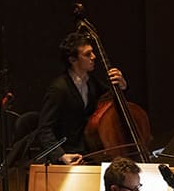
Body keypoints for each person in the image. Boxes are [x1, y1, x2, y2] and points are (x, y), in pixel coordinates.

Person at [34, 31, 127, 165]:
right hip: (70, 156)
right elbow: (44, 130)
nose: (94, 57)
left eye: (93, 52)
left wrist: (122, 85)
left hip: (90, 153)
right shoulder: (59, 89)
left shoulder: (91, 82)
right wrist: (61, 155)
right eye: (87, 54)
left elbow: (112, 98)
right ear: (72, 60)